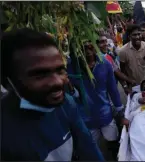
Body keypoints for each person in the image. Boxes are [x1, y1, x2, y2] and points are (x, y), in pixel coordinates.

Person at [1, 28, 104, 161]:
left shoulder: (66, 103)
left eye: (60, 70)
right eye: (40, 74)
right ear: (7, 81)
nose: (58, 82)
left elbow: (89, 149)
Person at [67, 42, 127, 160]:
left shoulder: (104, 63)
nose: (88, 50)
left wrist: (120, 112)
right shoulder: (71, 67)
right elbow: (71, 95)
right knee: (91, 151)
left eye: (91, 46)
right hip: (85, 119)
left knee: (113, 144)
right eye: (84, 47)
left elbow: (113, 90)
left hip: (106, 115)